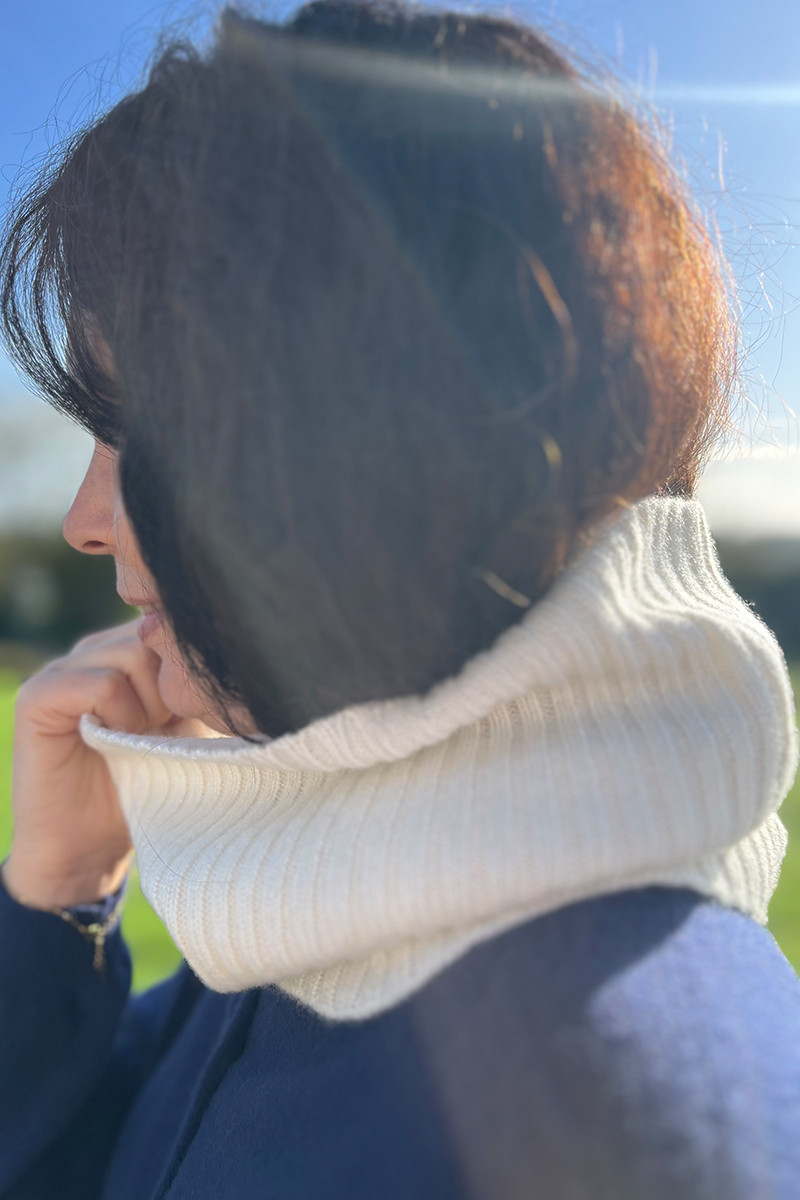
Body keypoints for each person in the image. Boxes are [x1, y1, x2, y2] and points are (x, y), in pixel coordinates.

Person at [0, 2, 799, 1196]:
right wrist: (60, 900)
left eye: (133, 435)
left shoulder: (631, 1128)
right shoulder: (334, 892)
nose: (82, 519)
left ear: (355, 443)